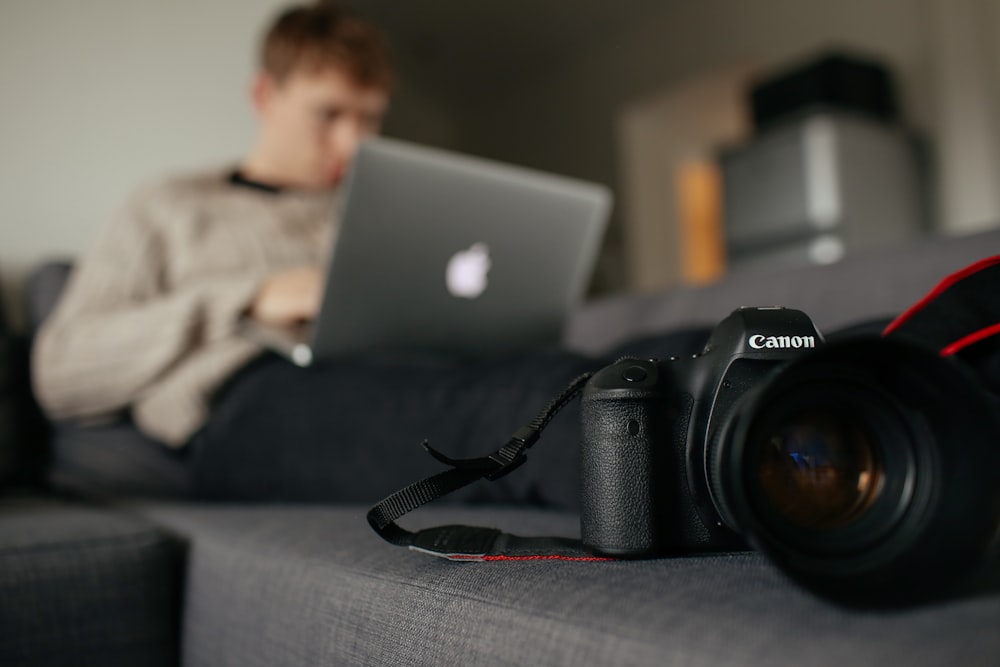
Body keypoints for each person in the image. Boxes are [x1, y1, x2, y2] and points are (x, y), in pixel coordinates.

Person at [32, 1, 395, 448]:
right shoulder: (170, 205)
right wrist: (249, 299)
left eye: (369, 117)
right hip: (249, 395)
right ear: (264, 95)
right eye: (328, 114)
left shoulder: (388, 215)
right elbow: (62, 372)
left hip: (392, 378)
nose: (353, 142)